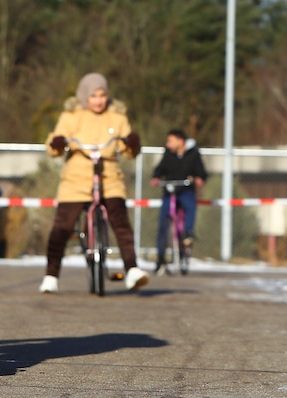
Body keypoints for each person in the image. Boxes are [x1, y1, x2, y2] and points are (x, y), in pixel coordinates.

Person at [39, 72, 148, 294]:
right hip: (76, 179)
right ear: (84, 96)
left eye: (102, 95)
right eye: (93, 95)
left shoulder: (117, 117)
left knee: (121, 221)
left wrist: (134, 144)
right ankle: (51, 275)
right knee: (62, 227)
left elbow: (128, 151)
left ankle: (132, 269)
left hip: (109, 176)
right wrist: (58, 143)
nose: (98, 100)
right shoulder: (71, 116)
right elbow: (53, 147)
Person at [151, 128, 208, 274]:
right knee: (163, 222)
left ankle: (188, 234)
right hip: (170, 192)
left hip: (186, 190)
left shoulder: (193, 153)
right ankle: (160, 257)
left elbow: (201, 171)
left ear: (180, 141)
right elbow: (160, 168)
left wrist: (199, 178)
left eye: (170, 140)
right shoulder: (168, 154)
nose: (168, 144)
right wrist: (156, 177)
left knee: (190, 207)